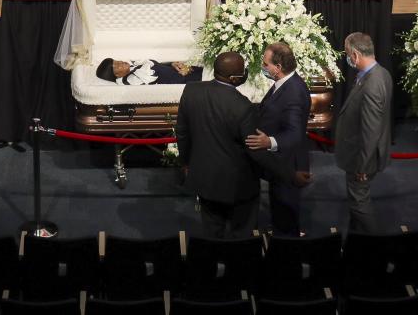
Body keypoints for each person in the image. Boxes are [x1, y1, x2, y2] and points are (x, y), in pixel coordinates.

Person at [176, 51, 301, 238]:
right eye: (243, 71)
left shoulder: (191, 91)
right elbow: (255, 151)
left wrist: (185, 163)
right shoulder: (242, 107)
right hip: (238, 186)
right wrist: (290, 175)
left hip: (204, 178)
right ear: (234, 78)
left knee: (211, 233)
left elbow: (182, 133)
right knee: (242, 238)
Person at [245, 42, 312, 236]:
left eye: (265, 64)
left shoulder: (293, 92)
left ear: (278, 67)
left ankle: (286, 249)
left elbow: (294, 133)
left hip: (288, 163)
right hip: (280, 162)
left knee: (286, 212)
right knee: (279, 209)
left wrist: (269, 142)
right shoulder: (284, 84)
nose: (263, 67)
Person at [334, 32, 392, 233]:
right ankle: (358, 241)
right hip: (362, 153)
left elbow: (371, 130)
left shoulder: (371, 85)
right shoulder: (382, 73)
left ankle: (374, 246)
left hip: (361, 158)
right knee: (356, 200)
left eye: (348, 54)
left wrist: (363, 167)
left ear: (355, 55)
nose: (348, 58)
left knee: (359, 202)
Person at [96, 58, 202, 85]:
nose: (121, 62)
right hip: (186, 80)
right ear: (117, 75)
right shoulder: (133, 80)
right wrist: (183, 74)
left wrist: (172, 64)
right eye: (117, 66)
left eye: (117, 61)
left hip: (183, 71)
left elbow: (157, 66)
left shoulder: (134, 66)